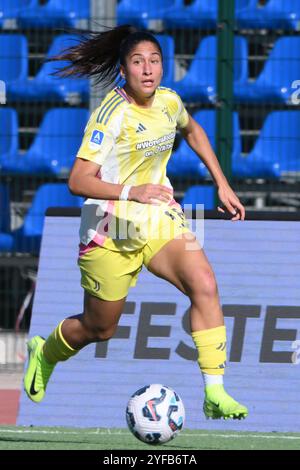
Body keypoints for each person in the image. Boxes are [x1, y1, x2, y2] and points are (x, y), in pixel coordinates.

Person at [24, 25, 248, 420]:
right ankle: (45, 351)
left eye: (155, 61)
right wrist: (133, 192)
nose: (148, 70)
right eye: (138, 62)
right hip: (109, 228)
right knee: (99, 328)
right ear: (124, 70)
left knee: (205, 284)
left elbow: (193, 130)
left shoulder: (168, 102)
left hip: (158, 218)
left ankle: (215, 391)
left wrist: (222, 183)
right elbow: (78, 181)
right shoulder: (110, 114)